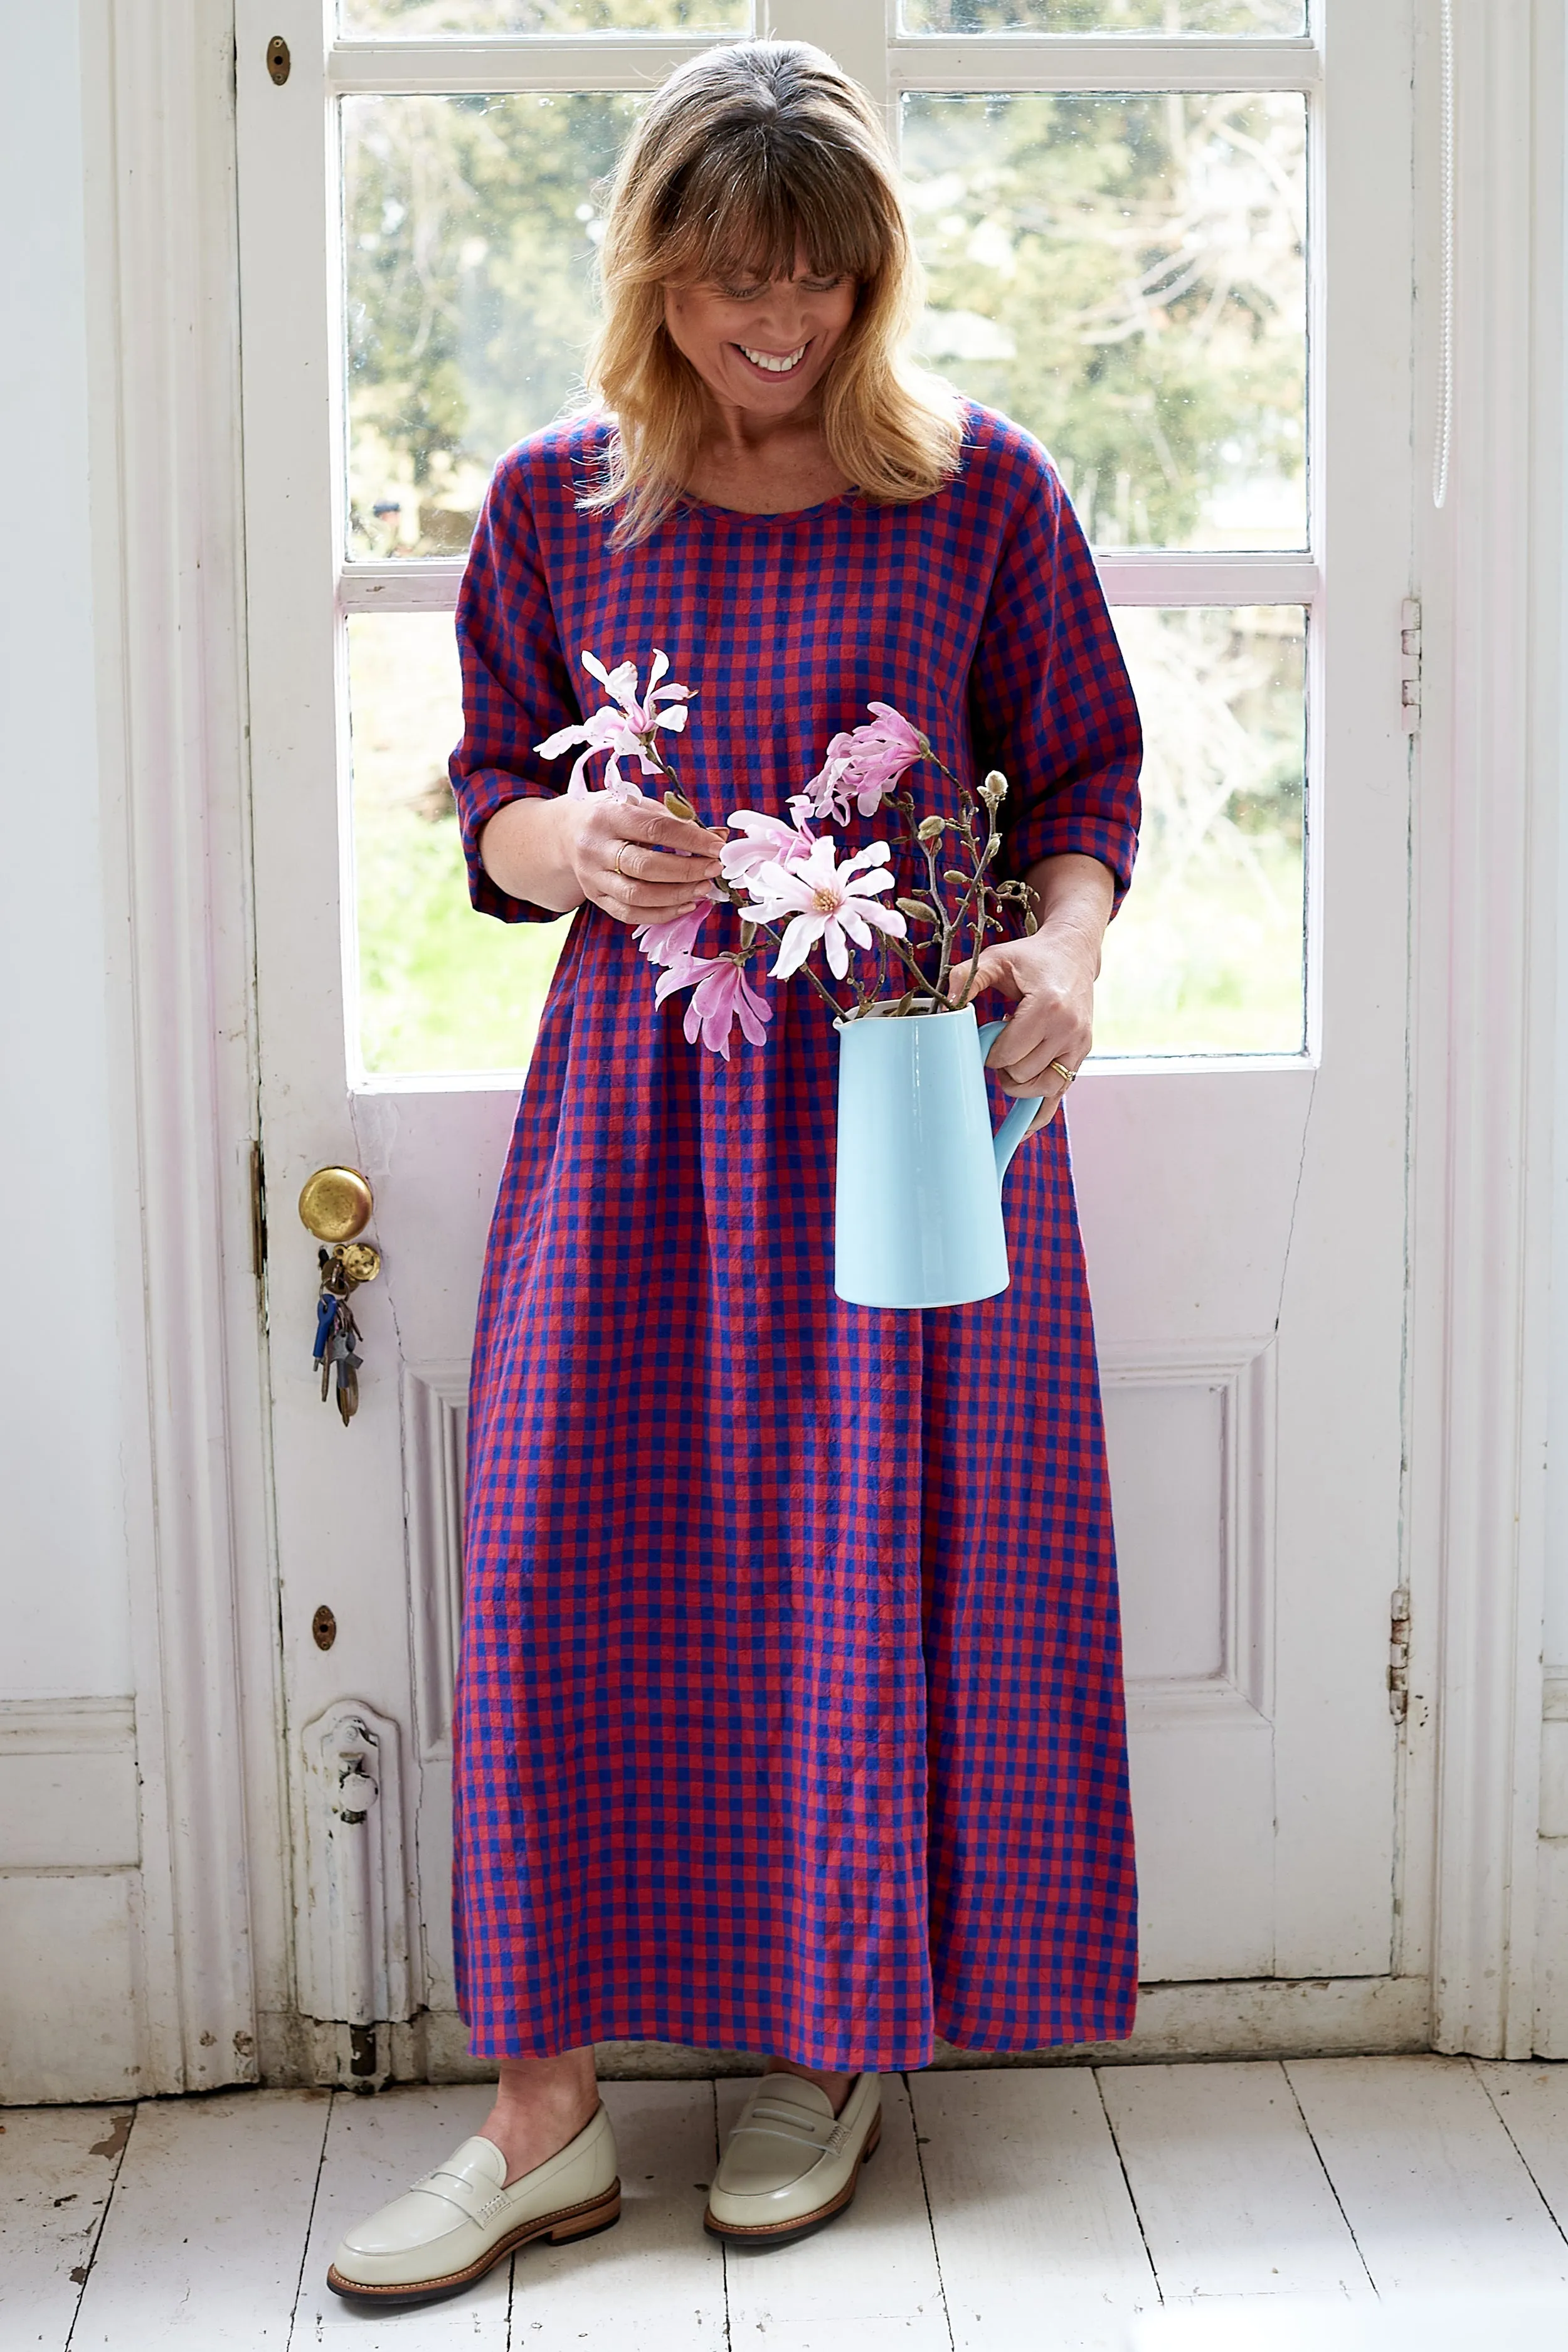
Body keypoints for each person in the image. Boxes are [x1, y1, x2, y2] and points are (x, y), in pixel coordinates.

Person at [328, 37, 1142, 2312]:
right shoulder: (555, 498)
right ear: (651, 277)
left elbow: (1082, 772)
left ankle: (831, 2042)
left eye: (808, 284)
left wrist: (1067, 943)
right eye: (719, 289)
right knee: (563, 1563)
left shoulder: (983, 493)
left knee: (865, 1560)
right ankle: (539, 2120)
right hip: (640, 1107)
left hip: (896, 1094)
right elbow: (488, 780)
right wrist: (556, 837)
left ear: (870, 275)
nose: (765, 330)